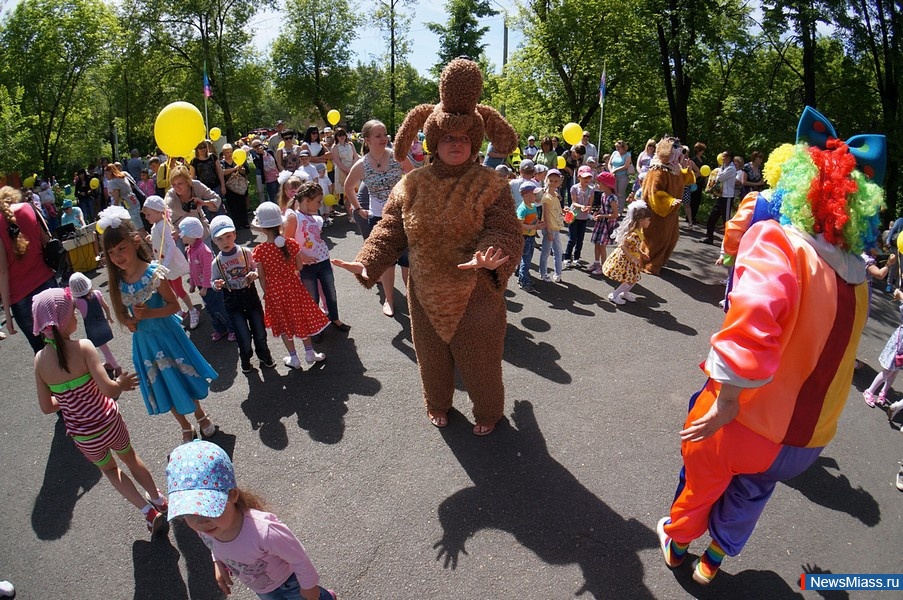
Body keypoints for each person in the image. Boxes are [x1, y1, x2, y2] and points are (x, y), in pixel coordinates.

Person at [657, 107, 886, 585]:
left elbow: (752, 326)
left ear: (798, 185)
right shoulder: (859, 279)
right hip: (805, 442)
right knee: (752, 492)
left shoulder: (779, 242)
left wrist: (728, 401)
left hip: (748, 421)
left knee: (701, 477)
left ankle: (678, 544)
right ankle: (713, 561)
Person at [332, 58, 522, 436]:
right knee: (432, 359)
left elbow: (505, 230)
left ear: (474, 142)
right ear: (434, 141)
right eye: (449, 138)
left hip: (477, 294)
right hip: (425, 291)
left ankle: (488, 411)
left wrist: (491, 255)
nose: (456, 143)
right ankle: (437, 404)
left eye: (464, 138)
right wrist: (367, 262)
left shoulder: (491, 184)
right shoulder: (412, 184)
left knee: (481, 362)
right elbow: (390, 228)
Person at [31, 287, 169, 537]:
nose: (76, 316)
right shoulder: (84, 347)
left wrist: (68, 396)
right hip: (109, 421)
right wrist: (122, 385)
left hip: (85, 436)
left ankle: (147, 511)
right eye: (73, 312)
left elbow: (46, 407)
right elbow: (108, 389)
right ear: (62, 319)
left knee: (110, 470)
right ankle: (159, 499)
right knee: (130, 458)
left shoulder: (40, 360)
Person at [99, 205, 218, 442]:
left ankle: (200, 414)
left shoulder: (153, 273)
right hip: (145, 343)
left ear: (135, 242)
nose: (117, 257)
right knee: (164, 383)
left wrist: (148, 315)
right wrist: (131, 322)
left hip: (167, 335)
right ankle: (184, 424)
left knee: (180, 377)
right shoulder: (118, 281)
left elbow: (174, 306)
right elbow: (123, 314)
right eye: (111, 253)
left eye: (121, 248)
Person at [166, 441, 338, 600]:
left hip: (290, 582)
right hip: (262, 587)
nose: (201, 522)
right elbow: (214, 545)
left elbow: (299, 558)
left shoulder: (264, 531)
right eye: (190, 513)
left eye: (210, 511)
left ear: (233, 495)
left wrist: (309, 587)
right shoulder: (205, 528)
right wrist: (218, 562)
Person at [341, 119, 414, 317]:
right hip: (378, 219)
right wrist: (358, 208)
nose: (384, 138)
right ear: (367, 140)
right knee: (387, 263)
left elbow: (414, 175)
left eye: (385, 134)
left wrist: (408, 194)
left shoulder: (397, 157)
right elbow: (348, 187)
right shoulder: (362, 165)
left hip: (402, 216)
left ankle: (412, 299)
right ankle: (389, 300)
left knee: (407, 261)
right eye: (378, 135)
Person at [250, 202, 329, 369]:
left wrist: (267, 293)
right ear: (281, 224)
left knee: (285, 324)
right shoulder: (291, 243)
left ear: (262, 229)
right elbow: (299, 267)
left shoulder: (259, 250)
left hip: (275, 292)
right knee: (301, 319)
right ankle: (309, 353)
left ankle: (294, 358)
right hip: (294, 288)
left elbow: (262, 277)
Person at [209, 217, 276, 374]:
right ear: (214, 241)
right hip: (232, 300)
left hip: (250, 296)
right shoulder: (216, 262)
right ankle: (245, 358)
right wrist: (216, 284)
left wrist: (254, 274)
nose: (225, 241)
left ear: (234, 235)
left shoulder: (246, 253)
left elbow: (256, 269)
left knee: (259, 330)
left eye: (228, 236)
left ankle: (263, 354)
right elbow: (213, 281)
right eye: (219, 239)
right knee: (243, 335)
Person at [0, 186, 57, 352]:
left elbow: (2, 272)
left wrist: (8, 313)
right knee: (63, 339)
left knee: (42, 351)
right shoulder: (28, 208)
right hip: (47, 283)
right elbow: (47, 239)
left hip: (20, 299)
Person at [292, 182, 350, 334]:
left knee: (330, 291)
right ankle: (315, 327)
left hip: (323, 260)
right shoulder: (293, 217)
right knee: (312, 298)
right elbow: (287, 242)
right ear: (307, 200)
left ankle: (334, 318)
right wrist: (301, 256)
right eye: (318, 201)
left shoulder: (315, 217)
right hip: (306, 266)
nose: (320, 205)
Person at [142, 195, 198, 329]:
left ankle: (192, 310)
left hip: (170, 264)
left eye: (148, 214)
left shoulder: (162, 225)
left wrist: (166, 265)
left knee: (178, 289)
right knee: (171, 289)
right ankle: (180, 311)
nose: (146, 217)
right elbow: (160, 241)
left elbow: (171, 245)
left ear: (157, 212)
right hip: (164, 263)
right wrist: (152, 238)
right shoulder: (157, 225)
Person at [180, 217, 233, 343]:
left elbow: (208, 270)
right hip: (201, 286)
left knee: (219, 308)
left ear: (191, 234)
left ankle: (232, 329)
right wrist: (192, 283)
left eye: (183, 233)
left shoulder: (203, 250)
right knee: (210, 309)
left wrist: (205, 287)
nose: (181, 236)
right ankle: (220, 329)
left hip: (211, 286)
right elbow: (192, 268)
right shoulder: (190, 249)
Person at [69, 272, 122, 379]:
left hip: (93, 330)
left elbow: (71, 312)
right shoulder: (97, 294)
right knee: (104, 347)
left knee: (104, 349)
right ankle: (109, 364)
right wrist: (109, 317)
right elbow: (106, 307)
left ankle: (117, 367)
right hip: (103, 325)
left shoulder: (77, 302)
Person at [602, 200, 651, 305]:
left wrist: (642, 254)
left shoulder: (639, 231)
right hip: (626, 259)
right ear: (641, 220)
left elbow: (635, 246)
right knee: (629, 279)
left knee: (634, 279)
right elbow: (623, 246)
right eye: (648, 219)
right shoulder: (633, 234)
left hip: (633, 259)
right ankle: (614, 295)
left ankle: (624, 293)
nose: (649, 222)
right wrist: (631, 257)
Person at [164, 164, 222, 243]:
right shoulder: (171, 194)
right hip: (179, 231)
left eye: (180, 183)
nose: (177, 187)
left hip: (199, 227)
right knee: (180, 253)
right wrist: (173, 229)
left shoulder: (197, 186)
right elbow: (164, 209)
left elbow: (217, 199)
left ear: (188, 181)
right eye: (173, 184)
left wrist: (204, 203)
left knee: (206, 253)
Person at [700, 151, 737, 245]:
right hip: (721, 196)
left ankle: (730, 242)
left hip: (727, 197)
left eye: (724, 156)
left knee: (727, 221)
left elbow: (719, 177)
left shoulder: (731, 168)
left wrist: (719, 171)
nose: (722, 158)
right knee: (712, 218)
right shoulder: (724, 167)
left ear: (729, 157)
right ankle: (709, 237)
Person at [562, 165, 594, 269]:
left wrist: (588, 208)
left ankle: (576, 258)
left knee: (580, 239)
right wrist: (582, 206)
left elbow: (590, 204)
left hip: (583, 218)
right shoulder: (574, 188)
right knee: (572, 238)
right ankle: (567, 257)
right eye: (584, 177)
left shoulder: (591, 189)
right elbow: (574, 202)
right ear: (579, 177)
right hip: (574, 216)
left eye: (589, 177)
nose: (587, 180)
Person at [589, 171, 619, 275]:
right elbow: (603, 209)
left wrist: (602, 216)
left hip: (607, 224)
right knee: (597, 244)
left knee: (602, 246)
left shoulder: (612, 198)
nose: (598, 185)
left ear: (606, 185)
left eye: (600, 183)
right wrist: (598, 212)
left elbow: (615, 215)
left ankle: (604, 266)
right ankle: (596, 263)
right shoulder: (603, 195)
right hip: (601, 223)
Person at [539, 169, 565, 283]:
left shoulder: (555, 196)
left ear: (559, 182)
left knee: (558, 251)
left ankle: (558, 273)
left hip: (556, 228)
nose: (553, 183)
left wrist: (564, 211)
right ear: (546, 180)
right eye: (551, 180)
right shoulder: (546, 198)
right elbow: (546, 216)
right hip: (549, 228)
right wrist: (548, 231)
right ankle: (543, 273)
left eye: (556, 181)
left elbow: (556, 211)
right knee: (546, 251)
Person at [515, 180, 541, 293]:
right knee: (526, 260)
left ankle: (520, 274)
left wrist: (538, 224)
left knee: (526, 258)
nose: (536, 195)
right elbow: (520, 225)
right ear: (526, 195)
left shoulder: (533, 206)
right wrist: (534, 227)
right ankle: (523, 281)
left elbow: (533, 220)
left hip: (531, 237)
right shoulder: (522, 209)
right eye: (534, 194)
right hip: (524, 237)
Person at [104, 163, 144, 233]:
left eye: (107, 174)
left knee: (139, 230)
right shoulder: (123, 177)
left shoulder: (113, 182)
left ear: (111, 172)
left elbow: (116, 198)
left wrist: (112, 211)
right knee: (138, 228)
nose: (106, 176)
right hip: (134, 202)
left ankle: (150, 243)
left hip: (128, 208)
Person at [220, 144, 251, 230]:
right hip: (229, 187)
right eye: (227, 152)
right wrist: (234, 169)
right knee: (233, 206)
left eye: (230, 152)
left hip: (239, 186)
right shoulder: (222, 163)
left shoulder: (236, 160)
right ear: (223, 153)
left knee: (242, 204)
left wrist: (241, 170)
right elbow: (222, 172)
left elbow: (244, 172)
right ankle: (236, 224)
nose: (229, 154)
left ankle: (245, 223)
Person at [331, 128, 358, 207]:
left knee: (354, 187)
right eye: (339, 135)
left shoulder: (350, 144)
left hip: (352, 167)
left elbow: (355, 157)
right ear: (336, 137)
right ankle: (346, 207)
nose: (342, 137)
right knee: (344, 189)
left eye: (343, 134)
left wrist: (352, 167)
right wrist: (346, 169)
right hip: (341, 169)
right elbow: (337, 160)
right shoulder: (335, 147)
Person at [607, 140, 633, 211]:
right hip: (613, 176)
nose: (617, 149)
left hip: (623, 176)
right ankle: (612, 209)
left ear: (623, 147)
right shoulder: (614, 153)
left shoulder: (627, 154)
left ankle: (620, 210)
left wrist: (615, 170)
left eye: (618, 147)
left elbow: (626, 166)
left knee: (620, 193)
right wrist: (611, 170)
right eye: (616, 147)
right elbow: (609, 163)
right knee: (613, 192)